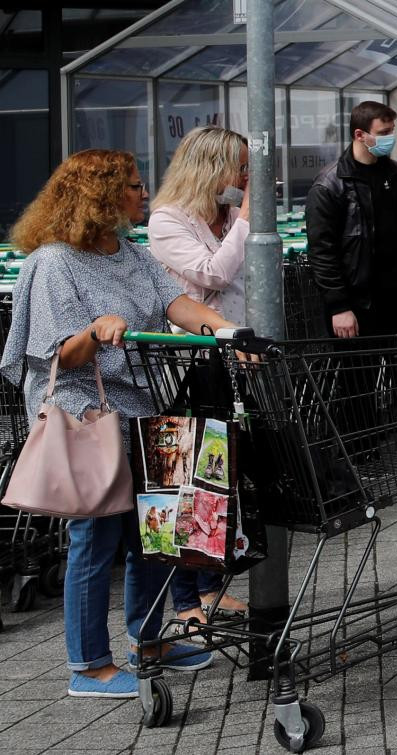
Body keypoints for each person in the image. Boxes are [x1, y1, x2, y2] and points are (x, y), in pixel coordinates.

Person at [1, 149, 240, 697]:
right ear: (100, 197)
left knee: (157, 532)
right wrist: (97, 328)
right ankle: (87, 666)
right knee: (96, 537)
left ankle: (149, 639)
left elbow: (175, 302)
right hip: (91, 414)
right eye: (133, 186)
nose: (143, 194)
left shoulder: (128, 252)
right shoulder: (54, 261)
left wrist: (225, 329)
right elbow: (62, 354)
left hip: (146, 405)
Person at [148, 125, 252, 627]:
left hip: (231, 356)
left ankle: (212, 586)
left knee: (221, 472)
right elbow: (213, 272)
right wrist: (250, 220)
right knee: (184, 478)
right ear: (213, 166)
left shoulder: (229, 215)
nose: (247, 176)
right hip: (188, 361)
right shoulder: (169, 220)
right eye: (241, 166)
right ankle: (185, 599)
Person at [306, 101, 397, 338]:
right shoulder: (330, 185)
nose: (390, 138)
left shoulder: (395, 173)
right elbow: (322, 251)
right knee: (360, 372)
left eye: (392, 131)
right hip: (360, 302)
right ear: (359, 134)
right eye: (383, 133)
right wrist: (339, 306)